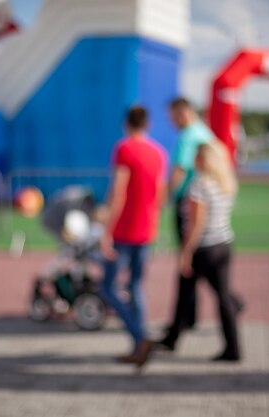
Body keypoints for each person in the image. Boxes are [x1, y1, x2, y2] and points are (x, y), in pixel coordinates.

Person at [100, 106, 167, 369]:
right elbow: (160, 193)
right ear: (147, 124)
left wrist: (106, 228)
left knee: (108, 286)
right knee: (136, 286)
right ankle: (139, 345)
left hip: (124, 230)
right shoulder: (158, 152)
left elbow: (119, 191)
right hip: (145, 229)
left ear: (126, 123)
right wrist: (154, 224)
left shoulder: (124, 148)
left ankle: (140, 338)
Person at [173, 140, 241, 361]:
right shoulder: (225, 183)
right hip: (223, 243)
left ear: (203, 160)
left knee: (184, 292)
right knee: (222, 296)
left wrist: (186, 252)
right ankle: (233, 347)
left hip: (204, 248)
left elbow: (196, 224)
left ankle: (172, 337)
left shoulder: (199, 185)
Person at [159, 97, 214, 349]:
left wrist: (164, 197)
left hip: (188, 203)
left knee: (187, 261)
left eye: (173, 116)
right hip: (205, 200)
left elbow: (180, 170)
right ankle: (188, 317)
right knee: (198, 260)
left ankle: (180, 324)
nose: (172, 122)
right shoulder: (204, 131)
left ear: (182, 113)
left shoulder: (188, 136)